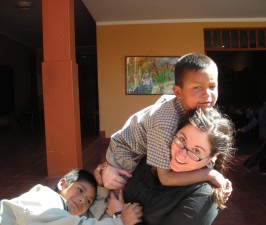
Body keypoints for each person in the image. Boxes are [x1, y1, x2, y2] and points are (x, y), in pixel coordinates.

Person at [99, 53, 231, 196]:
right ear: (178, 92)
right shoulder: (165, 123)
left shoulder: (192, 108)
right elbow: (166, 178)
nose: (207, 94)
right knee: (117, 197)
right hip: (125, 154)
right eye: (197, 87)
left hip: (143, 148)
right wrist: (209, 175)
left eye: (212, 86)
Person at [119, 107, 236, 225]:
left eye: (196, 151)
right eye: (182, 139)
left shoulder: (204, 196)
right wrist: (102, 175)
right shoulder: (154, 155)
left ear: (212, 157)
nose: (180, 154)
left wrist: (123, 218)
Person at [0, 169, 142, 225]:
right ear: (62, 183)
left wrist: (102, 189)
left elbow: (85, 218)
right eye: (80, 190)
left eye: (88, 201)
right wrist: (120, 221)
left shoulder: (65, 213)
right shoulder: (45, 197)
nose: (82, 200)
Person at [238, 92, 266, 178]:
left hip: (261, 134)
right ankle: (248, 164)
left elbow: (253, 122)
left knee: (264, 153)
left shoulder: (260, 109)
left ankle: (264, 170)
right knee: (263, 153)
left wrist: (245, 128)